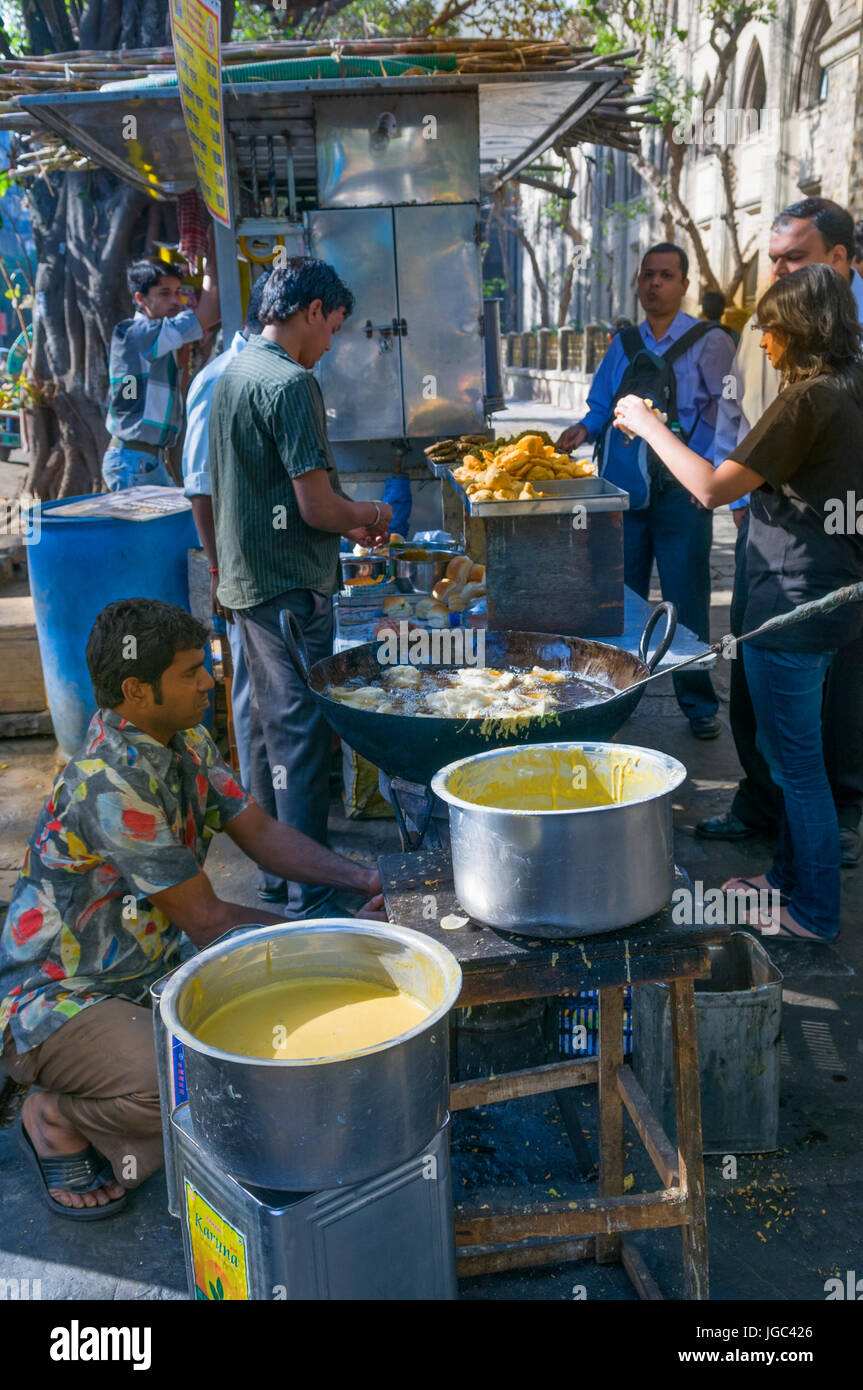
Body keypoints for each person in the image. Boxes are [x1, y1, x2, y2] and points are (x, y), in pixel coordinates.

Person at [0, 598, 384, 1219]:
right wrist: (338, 938)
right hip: (55, 1000)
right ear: (137, 690)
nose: (210, 680)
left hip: (142, 978)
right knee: (186, 1087)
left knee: (255, 1066)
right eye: (190, 672)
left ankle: (110, 1094)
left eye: (205, 665)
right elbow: (208, 921)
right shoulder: (107, 785)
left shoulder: (184, 739)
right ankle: (53, 1117)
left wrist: (362, 878)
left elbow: (259, 834)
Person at [614, 264, 863, 942]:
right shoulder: (850, 388)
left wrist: (645, 424)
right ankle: (785, 879)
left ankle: (809, 912)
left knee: (795, 766)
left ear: (800, 332)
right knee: (789, 755)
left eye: (771, 332)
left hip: (792, 600)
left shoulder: (807, 399)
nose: (762, 346)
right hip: (828, 594)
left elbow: (711, 488)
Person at [209, 259, 393, 913]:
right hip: (286, 586)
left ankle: (275, 875)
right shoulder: (289, 384)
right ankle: (312, 894)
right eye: (334, 327)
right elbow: (316, 509)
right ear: (311, 310)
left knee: (263, 732)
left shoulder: (233, 373)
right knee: (301, 735)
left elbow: (217, 489)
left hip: (247, 583)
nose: (331, 344)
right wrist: (368, 515)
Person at [697, 198, 863, 866]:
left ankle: (830, 825)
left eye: (791, 259)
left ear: (838, 261)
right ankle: (766, 806)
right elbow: (734, 419)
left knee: (835, 692)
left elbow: (710, 481)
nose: (775, 273)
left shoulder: (825, 376)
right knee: (755, 678)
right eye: (771, 260)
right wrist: (745, 514)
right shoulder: (763, 330)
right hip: (766, 536)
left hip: (828, 550)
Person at [557, 243, 736, 739]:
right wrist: (583, 430)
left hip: (685, 493)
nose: (654, 283)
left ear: (684, 285)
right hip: (627, 492)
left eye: (666, 275)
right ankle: (620, 694)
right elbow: (601, 403)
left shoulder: (711, 341)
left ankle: (698, 703)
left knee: (687, 599)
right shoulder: (624, 341)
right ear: (638, 284)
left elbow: (726, 419)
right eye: (647, 275)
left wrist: (713, 478)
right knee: (623, 597)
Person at [182, 271, 271, 794]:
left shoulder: (263, 371)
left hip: (265, 564)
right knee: (254, 699)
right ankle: (263, 826)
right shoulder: (221, 379)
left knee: (269, 698)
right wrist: (217, 569)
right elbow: (200, 486)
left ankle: (279, 822)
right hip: (240, 568)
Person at [102, 249, 220, 492]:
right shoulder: (140, 334)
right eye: (165, 294)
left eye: (178, 292)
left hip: (146, 459)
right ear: (140, 298)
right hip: (135, 460)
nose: (176, 301)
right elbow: (208, 314)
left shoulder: (158, 340)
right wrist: (213, 257)